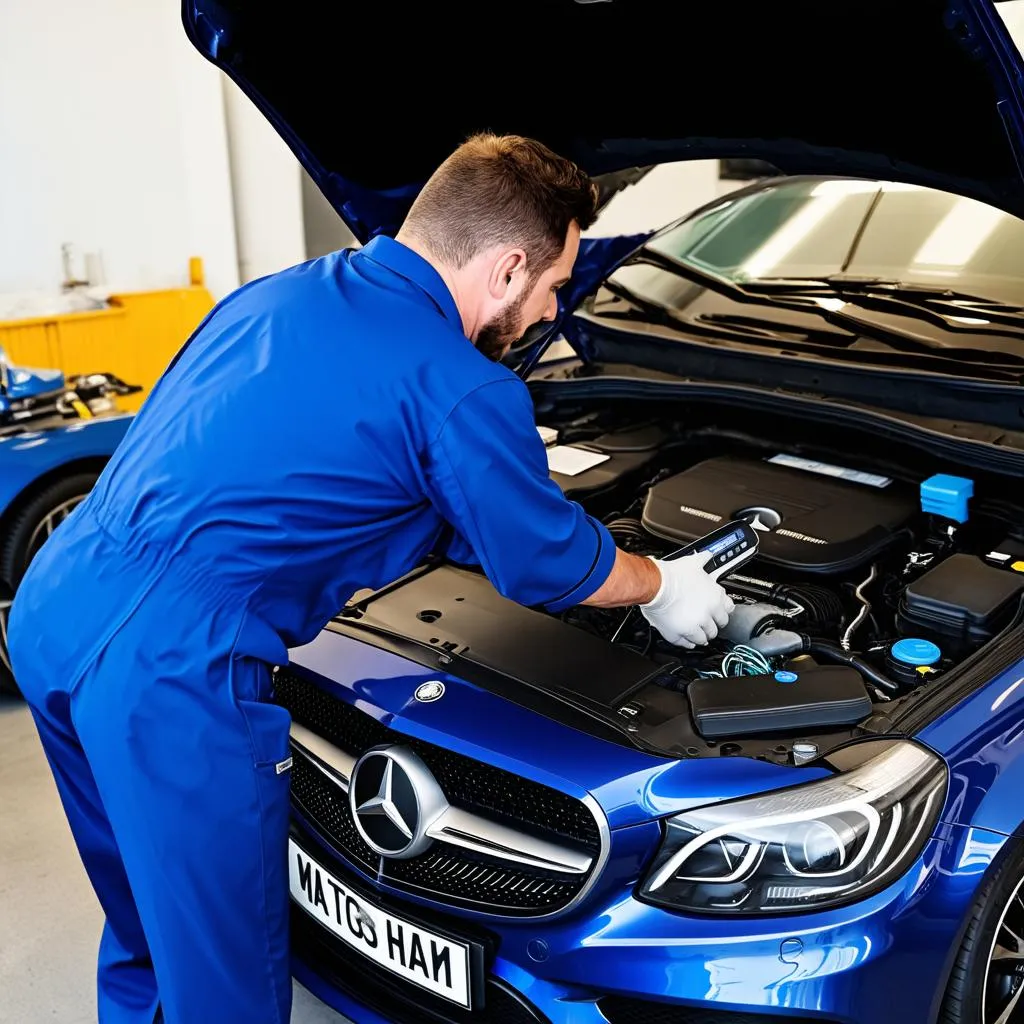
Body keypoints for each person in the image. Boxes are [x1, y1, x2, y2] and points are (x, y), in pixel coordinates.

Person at [8, 133, 733, 1024]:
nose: (550, 313)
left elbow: (295, 458)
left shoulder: (276, 295)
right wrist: (664, 585)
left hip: (57, 600)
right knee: (225, 980)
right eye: (552, 287)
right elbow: (550, 564)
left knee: (149, 921)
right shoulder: (460, 388)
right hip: (169, 669)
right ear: (507, 269)